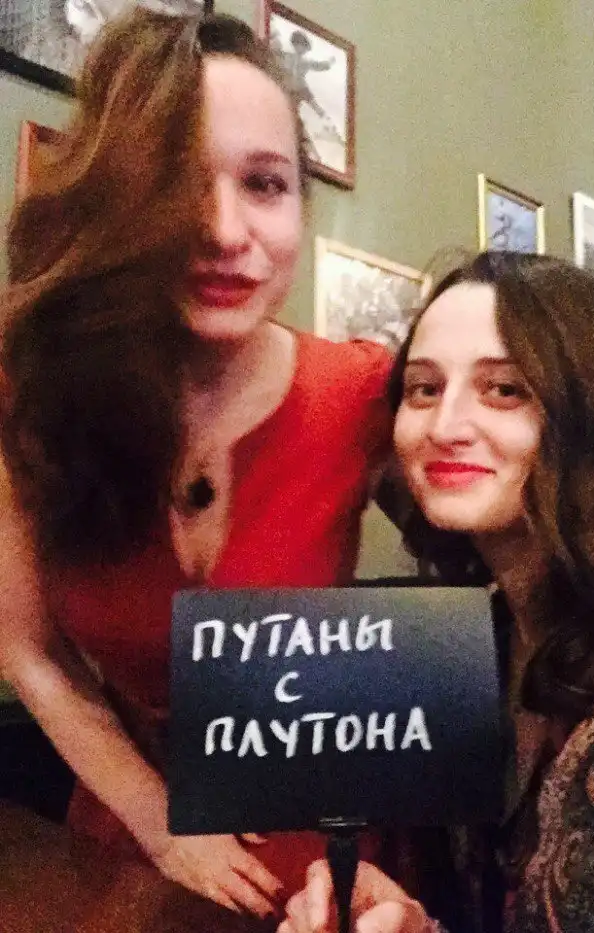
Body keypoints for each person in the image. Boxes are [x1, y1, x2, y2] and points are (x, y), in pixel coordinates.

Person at [0, 6, 394, 919]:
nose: (223, 229)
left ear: (300, 204)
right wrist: (164, 827)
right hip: (130, 846)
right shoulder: (31, 388)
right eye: (177, 183)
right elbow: (28, 649)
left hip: (326, 860)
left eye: (265, 184)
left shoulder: (361, 393)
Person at [280, 251, 594, 933]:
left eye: (503, 389)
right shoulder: (468, 639)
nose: (445, 426)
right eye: (422, 389)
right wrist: (411, 922)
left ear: (590, 413)